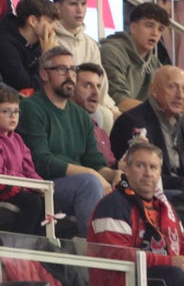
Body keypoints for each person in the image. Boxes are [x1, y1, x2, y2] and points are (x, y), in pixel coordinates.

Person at [17, 45, 120, 236]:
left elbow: (94, 162)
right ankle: (95, 253)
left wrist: (113, 175)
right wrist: (90, 173)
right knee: (90, 183)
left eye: (73, 70)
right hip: (44, 185)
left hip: (80, 182)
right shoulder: (31, 107)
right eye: (62, 69)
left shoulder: (82, 116)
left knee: (128, 186)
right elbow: (41, 161)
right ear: (44, 74)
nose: (70, 75)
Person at [88, 141, 184, 286]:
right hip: (121, 280)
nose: (148, 173)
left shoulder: (165, 207)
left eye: (153, 167)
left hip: (155, 274)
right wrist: (170, 261)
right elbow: (118, 256)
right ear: (126, 170)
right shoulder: (113, 205)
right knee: (174, 275)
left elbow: (181, 244)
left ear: (159, 173)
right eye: (140, 166)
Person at [103, 2, 172, 112]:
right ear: (133, 27)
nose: (155, 33)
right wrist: (162, 111)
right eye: (149, 26)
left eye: (160, 29)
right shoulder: (112, 52)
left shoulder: (154, 62)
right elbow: (118, 100)